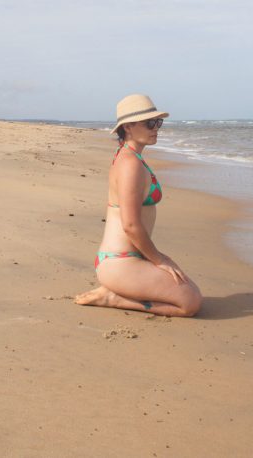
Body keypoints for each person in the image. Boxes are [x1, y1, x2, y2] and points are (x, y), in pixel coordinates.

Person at [75, 94, 202, 317]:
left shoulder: (132, 158)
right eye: (150, 123)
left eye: (158, 122)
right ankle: (113, 297)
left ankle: (120, 291)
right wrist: (159, 259)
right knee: (190, 302)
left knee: (190, 293)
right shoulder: (130, 164)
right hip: (118, 263)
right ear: (129, 127)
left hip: (128, 260)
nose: (156, 128)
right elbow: (131, 225)